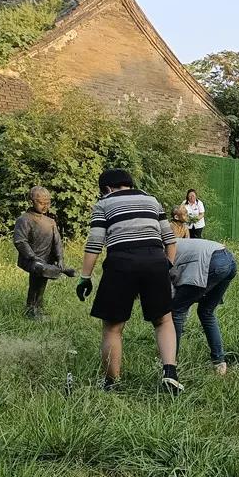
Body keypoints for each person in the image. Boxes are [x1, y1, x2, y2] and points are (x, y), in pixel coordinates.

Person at [76, 168, 183, 394]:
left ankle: (112, 383)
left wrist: (85, 277)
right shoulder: (152, 201)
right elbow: (170, 241)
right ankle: (170, 373)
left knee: (113, 328)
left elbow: (95, 243)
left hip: (121, 263)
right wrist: (167, 266)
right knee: (163, 320)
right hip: (155, 262)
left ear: (106, 188)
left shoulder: (104, 203)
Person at [170, 237, 238, 376]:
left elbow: (170, 288)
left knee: (176, 311)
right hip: (228, 259)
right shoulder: (171, 242)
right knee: (206, 312)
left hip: (211, 262)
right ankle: (219, 362)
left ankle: (170, 362)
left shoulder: (159, 252)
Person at [12, 185, 76, 319]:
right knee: (35, 283)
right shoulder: (24, 219)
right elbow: (20, 241)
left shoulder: (50, 221)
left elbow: (57, 242)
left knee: (42, 283)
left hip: (46, 259)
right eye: (41, 203)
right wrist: (32, 257)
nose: (45, 206)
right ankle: (31, 309)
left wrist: (60, 259)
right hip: (32, 260)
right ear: (31, 202)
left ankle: (38, 307)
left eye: (48, 203)